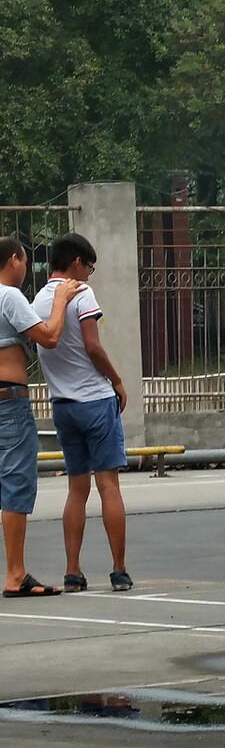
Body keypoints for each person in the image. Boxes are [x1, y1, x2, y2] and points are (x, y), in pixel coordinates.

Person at [32, 233, 132, 593]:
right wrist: (116, 380)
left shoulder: (39, 301)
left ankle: (72, 571)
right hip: (95, 400)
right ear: (76, 262)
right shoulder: (81, 294)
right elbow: (93, 346)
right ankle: (119, 570)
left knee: (77, 489)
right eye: (89, 267)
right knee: (108, 485)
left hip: (63, 405)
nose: (89, 274)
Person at [0, 236, 81, 598]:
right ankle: (15, 574)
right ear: (14, 260)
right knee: (15, 484)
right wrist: (60, 300)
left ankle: (16, 572)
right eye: (24, 260)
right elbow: (49, 337)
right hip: (8, 401)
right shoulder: (9, 296)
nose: (26, 268)